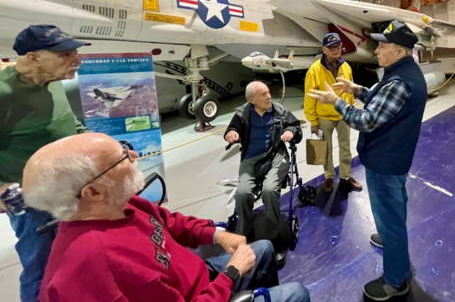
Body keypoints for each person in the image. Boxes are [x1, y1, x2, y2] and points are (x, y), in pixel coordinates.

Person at [20, 132, 310, 302]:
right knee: (297, 293)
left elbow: (168, 222)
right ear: (93, 191)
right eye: (122, 158)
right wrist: (231, 274)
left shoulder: (120, 202)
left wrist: (216, 234)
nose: (134, 157)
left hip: (198, 277)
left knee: (264, 248)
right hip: (202, 293)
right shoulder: (98, 264)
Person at [307, 20, 427, 301]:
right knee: (394, 207)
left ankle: (396, 280)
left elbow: (367, 119)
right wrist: (356, 89)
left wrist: (335, 100)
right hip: (393, 157)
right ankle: (388, 238)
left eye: (382, 46)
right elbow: (381, 98)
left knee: (390, 216)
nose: (376, 51)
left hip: (385, 162)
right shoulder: (403, 73)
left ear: (398, 51)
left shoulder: (399, 82)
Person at [0, 24, 91, 302]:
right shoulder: (4, 93)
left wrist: (104, 147)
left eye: (75, 52)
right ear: (33, 57)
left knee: (80, 254)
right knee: (40, 266)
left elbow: (69, 123)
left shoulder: (53, 81)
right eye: (64, 54)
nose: (76, 59)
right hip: (31, 201)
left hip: (71, 188)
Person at [224, 81, 302, 268]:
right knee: (242, 193)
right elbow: (231, 129)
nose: (269, 97)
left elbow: (296, 128)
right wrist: (231, 133)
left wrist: (291, 132)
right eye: (263, 94)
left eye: (268, 93)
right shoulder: (243, 113)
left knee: (269, 190)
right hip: (251, 160)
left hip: (276, 156)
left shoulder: (279, 111)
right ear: (252, 100)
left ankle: (275, 238)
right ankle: (245, 234)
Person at [304, 33, 362, 193]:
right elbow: (309, 97)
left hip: (343, 115)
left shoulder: (346, 67)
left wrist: (350, 111)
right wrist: (313, 122)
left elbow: (349, 92)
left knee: (345, 147)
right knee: (325, 149)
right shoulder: (314, 70)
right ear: (324, 49)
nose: (336, 50)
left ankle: (346, 176)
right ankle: (328, 176)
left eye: (338, 46)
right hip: (324, 117)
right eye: (331, 47)